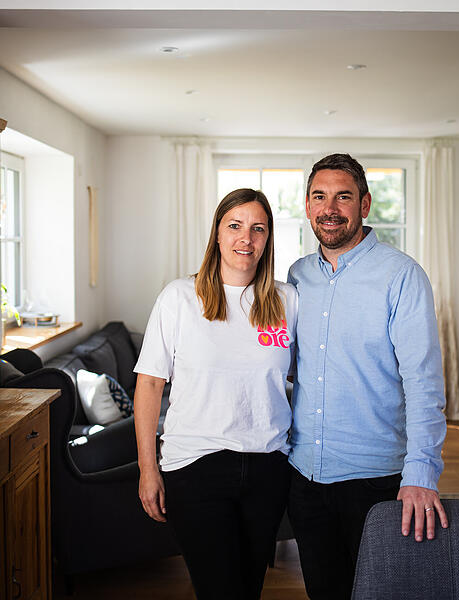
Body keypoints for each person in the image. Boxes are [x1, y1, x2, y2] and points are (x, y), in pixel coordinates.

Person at [287, 153, 449, 599]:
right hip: (304, 475)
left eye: (343, 196)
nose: (330, 208)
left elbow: (423, 383)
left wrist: (421, 473)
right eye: (320, 196)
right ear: (307, 205)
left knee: (380, 592)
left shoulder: (402, 276)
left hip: (375, 481)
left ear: (365, 204)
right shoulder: (297, 276)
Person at [133, 188, 298, 600]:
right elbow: (150, 385)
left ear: (267, 239)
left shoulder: (287, 300)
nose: (247, 238)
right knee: (218, 589)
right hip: (195, 467)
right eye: (235, 226)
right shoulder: (179, 298)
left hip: (268, 467)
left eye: (258, 228)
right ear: (218, 235)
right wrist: (147, 469)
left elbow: (312, 376)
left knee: (248, 588)